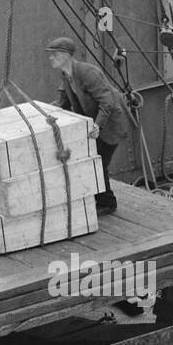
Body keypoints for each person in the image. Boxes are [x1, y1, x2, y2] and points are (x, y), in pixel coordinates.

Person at [44, 37, 131, 217]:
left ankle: (107, 203)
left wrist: (98, 126)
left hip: (110, 124)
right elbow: (63, 100)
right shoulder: (67, 76)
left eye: (55, 54)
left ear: (66, 55)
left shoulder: (87, 72)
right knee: (94, 160)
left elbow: (107, 102)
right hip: (96, 124)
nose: (51, 58)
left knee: (97, 162)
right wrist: (45, 111)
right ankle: (101, 199)